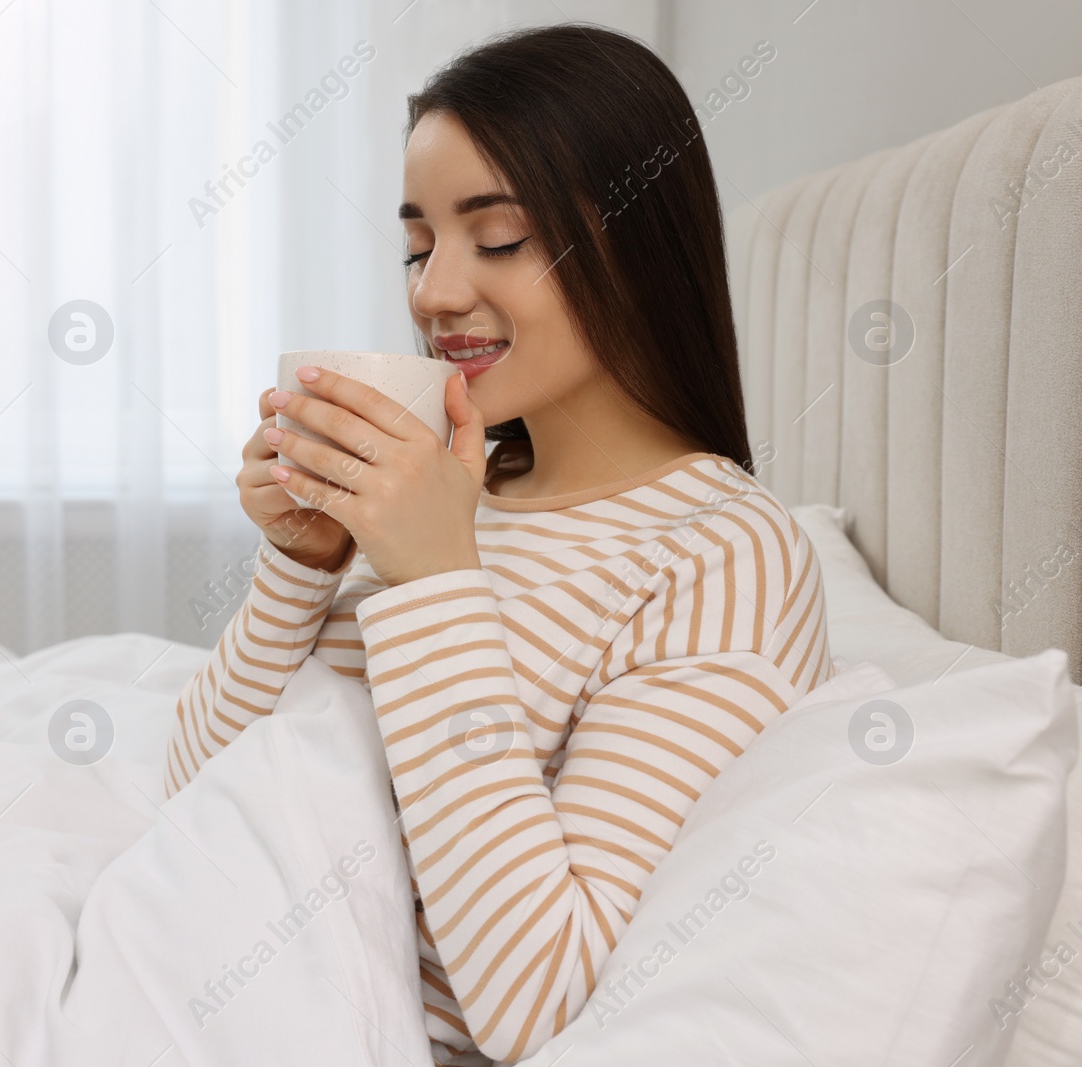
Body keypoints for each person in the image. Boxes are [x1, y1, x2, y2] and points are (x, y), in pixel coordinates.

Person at [163, 22, 832, 1066]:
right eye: (417, 244)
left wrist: (435, 578)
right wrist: (300, 564)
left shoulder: (719, 556)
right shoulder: (452, 484)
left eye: (500, 237)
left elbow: (540, 1002)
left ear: (638, 239)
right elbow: (193, 801)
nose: (431, 293)